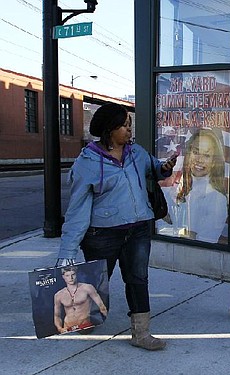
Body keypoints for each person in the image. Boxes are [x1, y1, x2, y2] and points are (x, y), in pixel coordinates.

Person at [56, 103, 177, 351]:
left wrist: (163, 167)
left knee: (138, 279)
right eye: (125, 126)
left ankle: (141, 333)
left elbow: (153, 167)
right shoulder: (86, 164)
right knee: (97, 282)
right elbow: (77, 212)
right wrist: (67, 254)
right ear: (109, 130)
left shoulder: (137, 153)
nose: (129, 130)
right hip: (102, 235)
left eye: (129, 125)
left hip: (138, 230)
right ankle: (83, 316)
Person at [162, 128, 227, 242]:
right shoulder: (175, 189)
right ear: (188, 154)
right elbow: (160, 227)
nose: (199, 160)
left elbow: (206, 240)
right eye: (196, 152)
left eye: (206, 155)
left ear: (214, 162)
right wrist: (187, 233)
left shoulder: (217, 199)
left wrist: (176, 230)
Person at [54, 266, 108, 333]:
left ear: (76, 274)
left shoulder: (87, 288)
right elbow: (57, 315)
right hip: (67, 326)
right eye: (67, 275)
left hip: (85, 325)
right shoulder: (59, 295)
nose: (71, 278)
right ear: (63, 277)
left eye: (73, 274)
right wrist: (60, 328)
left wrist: (106, 321)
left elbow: (101, 306)